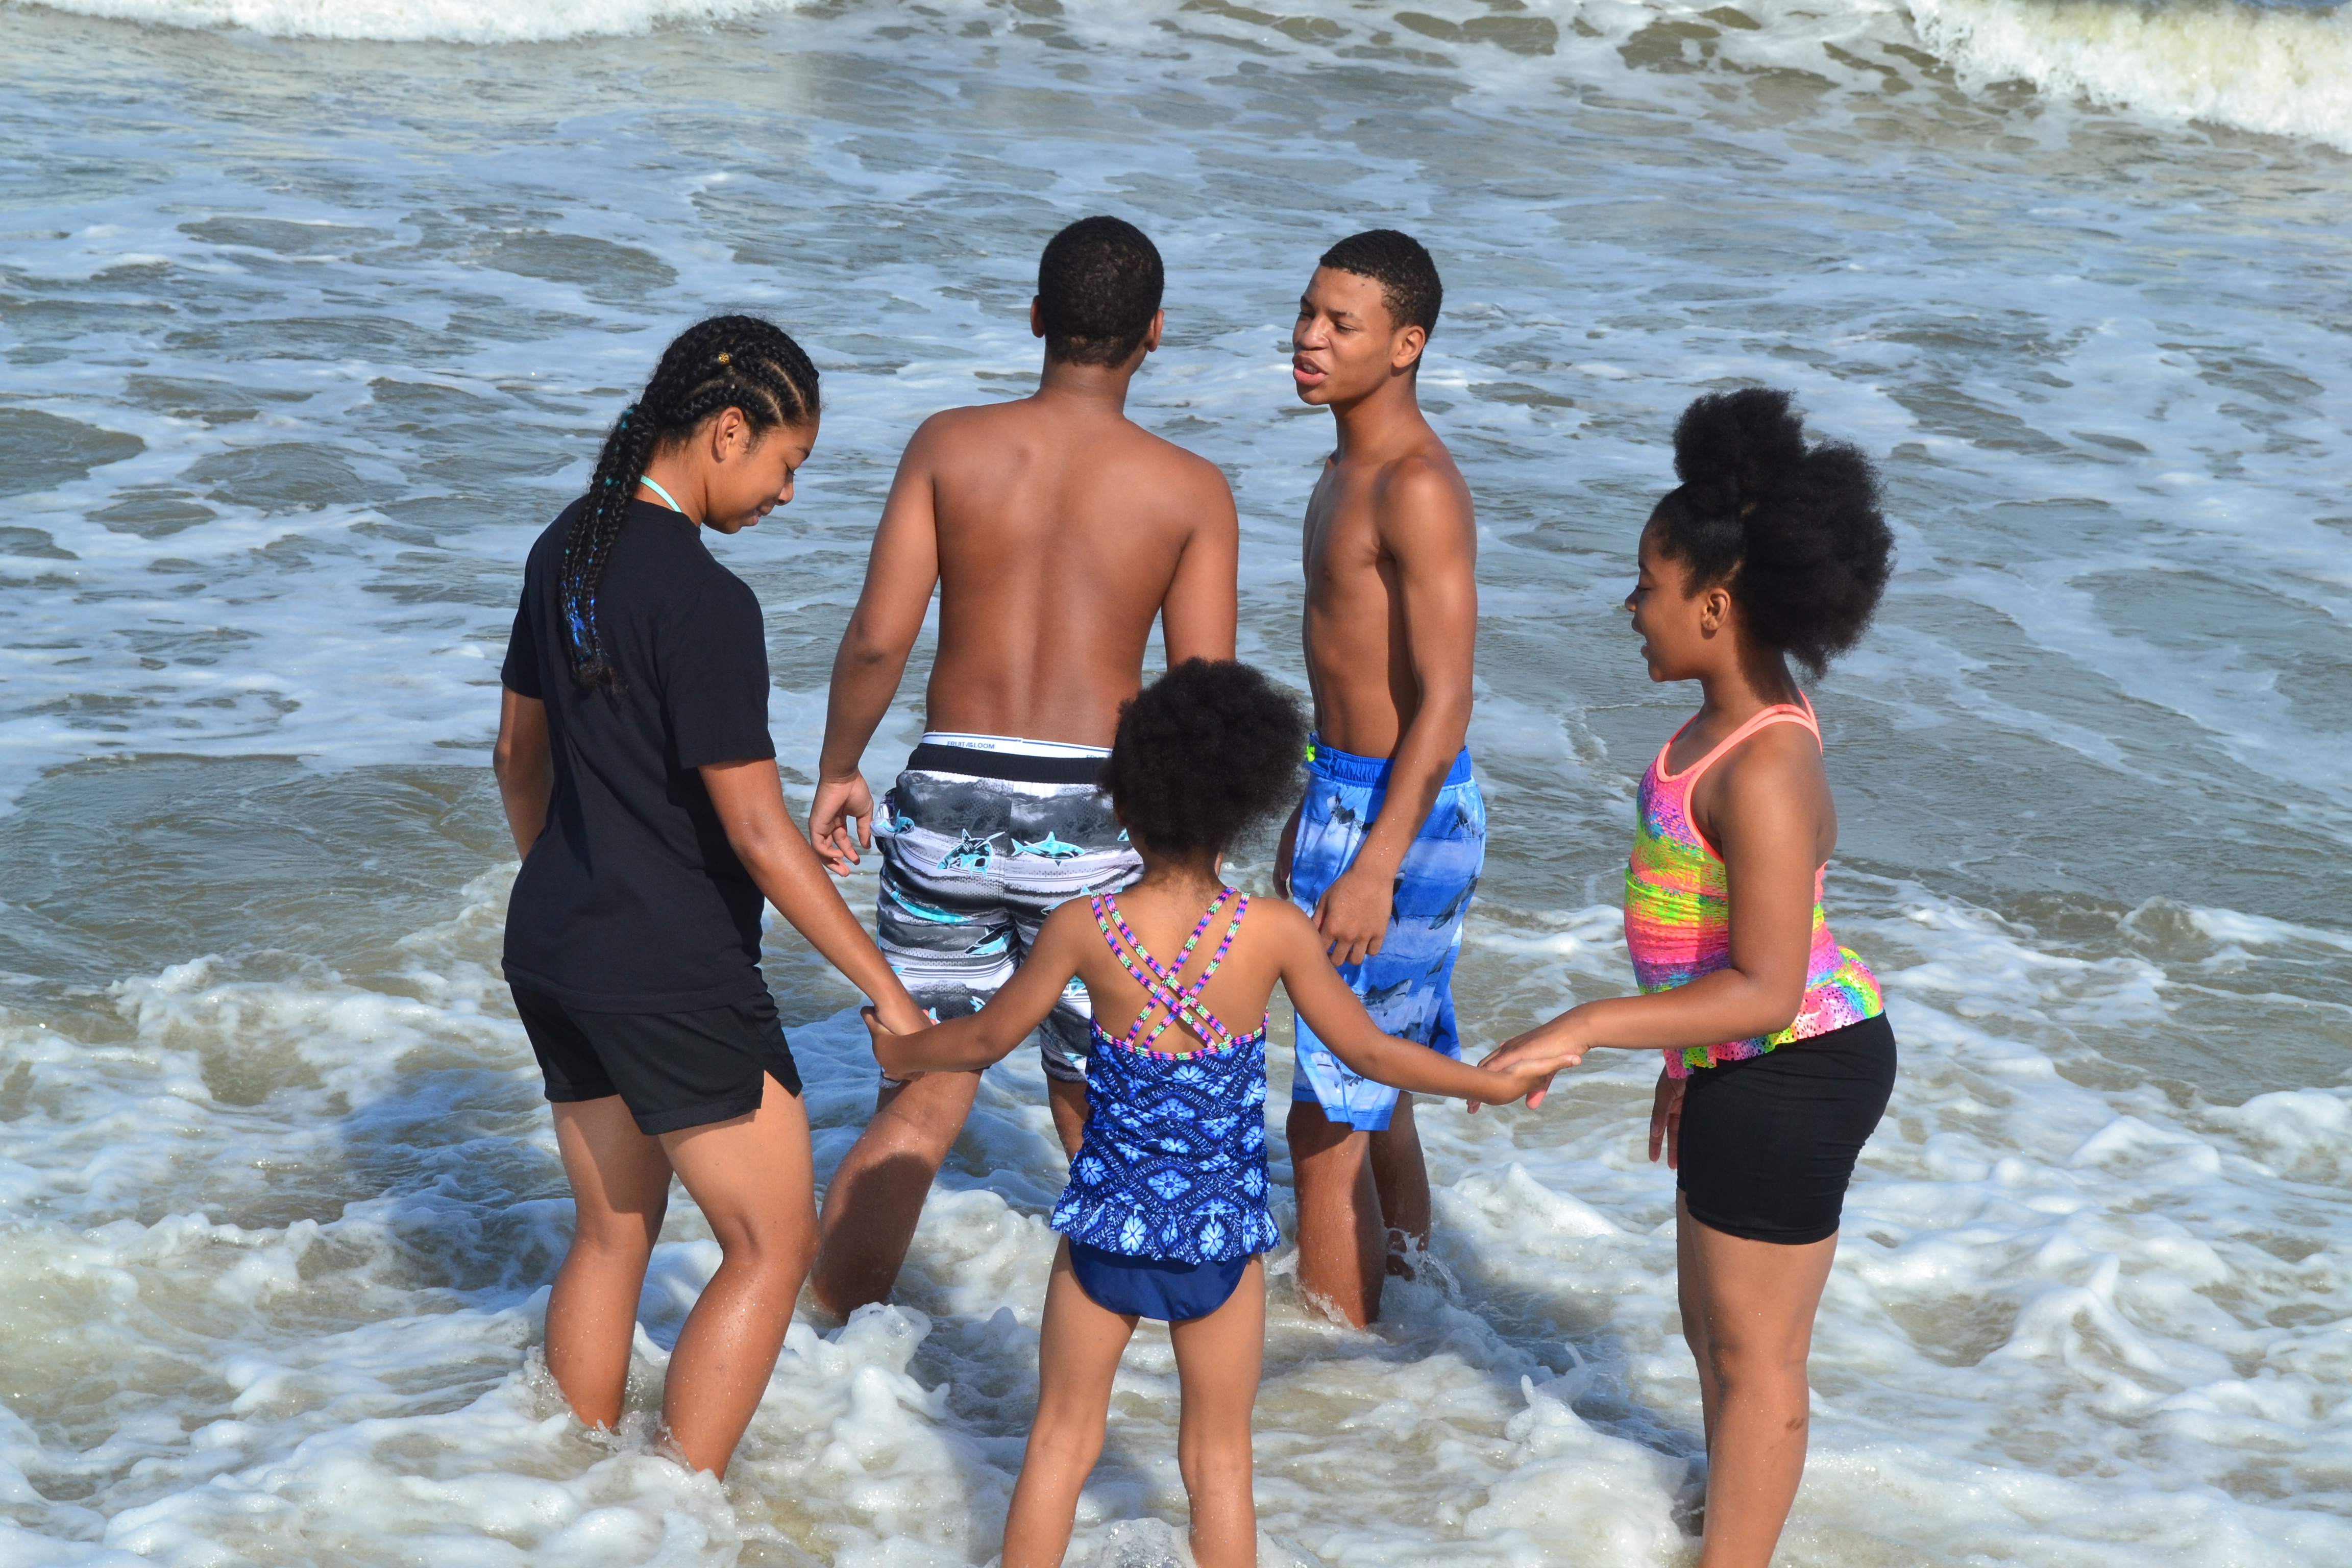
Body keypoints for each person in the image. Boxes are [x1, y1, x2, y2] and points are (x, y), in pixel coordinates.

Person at [864, 660, 1542, 1568]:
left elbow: (985, 1041)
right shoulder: (1272, 933)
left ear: (1125, 803)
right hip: (1219, 1237)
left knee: (1061, 1444)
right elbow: (1371, 1054)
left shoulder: (1084, 926)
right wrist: (1489, 1085)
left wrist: (903, 1052)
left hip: (1107, 1224)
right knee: (1218, 1464)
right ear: (1246, 810)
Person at [491, 315, 931, 1479]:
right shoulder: (706, 602)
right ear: (727, 431)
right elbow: (756, 830)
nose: (789, 494)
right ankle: (673, 1516)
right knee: (770, 1244)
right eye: (789, 463)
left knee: (610, 1231)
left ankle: (573, 1498)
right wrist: (885, 990)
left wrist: (574, 875)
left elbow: (515, 762)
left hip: (555, 949)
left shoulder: (564, 552)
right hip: (669, 970)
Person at [1480, 388, 1897, 1568]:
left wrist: (1589, 1025)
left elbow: (1768, 984)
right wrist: (1684, 1052)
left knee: (1757, 1359)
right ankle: (1732, 1530)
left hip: (1798, 1061)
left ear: (1715, 606)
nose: (1631, 607)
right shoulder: (1721, 727)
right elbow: (1716, 947)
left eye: (1648, 586)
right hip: (1739, 1060)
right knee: (1713, 1334)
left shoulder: (1764, 762)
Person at [804, 215, 1240, 1316]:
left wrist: (840, 766)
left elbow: (876, 637)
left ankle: (821, 1341)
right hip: (1102, 811)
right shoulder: (1189, 489)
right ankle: (1127, 1366)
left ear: (1037, 316)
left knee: (925, 1088)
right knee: (1110, 1106)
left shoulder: (948, 446)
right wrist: (1196, 865)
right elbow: (1201, 696)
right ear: (1154, 335)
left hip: (950, 791)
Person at [1277, 228, 1483, 1326]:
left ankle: (1339, 1371)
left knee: (1325, 1118)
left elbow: (1448, 699)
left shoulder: (1415, 485)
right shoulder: (1339, 466)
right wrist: (1316, 808)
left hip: (1399, 810)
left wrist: (1374, 862)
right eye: (1307, 312)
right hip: (1349, 793)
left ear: (1405, 345)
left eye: (1338, 324)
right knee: (1376, 1084)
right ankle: (1411, 1323)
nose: (1307, 338)